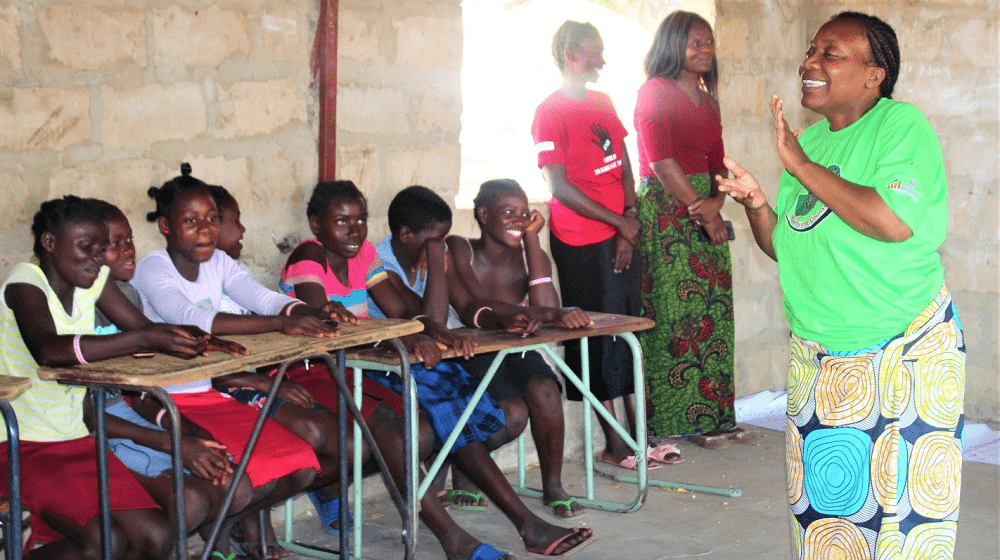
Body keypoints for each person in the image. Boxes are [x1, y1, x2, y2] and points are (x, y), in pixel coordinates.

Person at [716, 12, 965, 559]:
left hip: (898, 354)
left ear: (875, 75)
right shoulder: (811, 145)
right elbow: (789, 246)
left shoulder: (901, 126)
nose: (810, 63)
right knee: (827, 520)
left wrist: (799, 164)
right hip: (819, 360)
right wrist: (759, 202)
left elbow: (890, 219)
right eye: (810, 51)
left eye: (831, 53)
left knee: (898, 522)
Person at [282, 180, 595, 560]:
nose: (355, 230)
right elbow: (326, 327)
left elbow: (399, 311)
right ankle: (456, 541)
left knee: (454, 413)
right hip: (316, 371)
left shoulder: (364, 256)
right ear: (316, 224)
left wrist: (440, 333)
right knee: (400, 430)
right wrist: (403, 340)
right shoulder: (306, 257)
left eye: (362, 219)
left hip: (362, 366)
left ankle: (526, 524)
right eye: (342, 221)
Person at [0, 195, 234, 560]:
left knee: (157, 537)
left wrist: (200, 336)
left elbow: (144, 327)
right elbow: (48, 350)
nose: (97, 256)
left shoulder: (93, 282)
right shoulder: (25, 282)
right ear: (50, 243)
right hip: (22, 445)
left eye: (102, 247)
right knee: (105, 543)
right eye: (86, 247)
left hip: (75, 438)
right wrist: (144, 338)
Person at [131, 164, 331, 557]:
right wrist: (279, 322)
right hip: (171, 399)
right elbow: (194, 320)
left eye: (211, 219)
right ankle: (219, 537)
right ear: (166, 227)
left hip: (209, 392)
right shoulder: (154, 268)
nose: (204, 229)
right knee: (241, 480)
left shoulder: (218, 263)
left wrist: (305, 313)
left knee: (300, 467)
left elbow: (262, 297)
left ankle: (217, 529)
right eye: (190, 221)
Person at [446, 179, 626, 517]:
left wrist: (532, 241)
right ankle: (464, 468)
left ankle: (553, 486)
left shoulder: (530, 254)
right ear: (483, 215)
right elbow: (473, 305)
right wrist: (529, 314)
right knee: (510, 414)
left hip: (514, 350)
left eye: (525, 214)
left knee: (545, 391)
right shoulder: (459, 247)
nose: (519, 221)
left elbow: (546, 307)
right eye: (509, 213)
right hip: (469, 350)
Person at [86, 199, 255, 551]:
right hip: (91, 430)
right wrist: (174, 442)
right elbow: (84, 413)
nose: (128, 251)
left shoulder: (128, 296)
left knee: (235, 484)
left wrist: (186, 429)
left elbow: (140, 392)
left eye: (128, 240)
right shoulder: (71, 310)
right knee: (189, 501)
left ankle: (214, 544)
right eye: (112, 245)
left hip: (128, 416)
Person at [632, 11, 749, 449]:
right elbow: (661, 164)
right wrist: (706, 213)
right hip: (668, 210)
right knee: (674, 316)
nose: (704, 50)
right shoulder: (654, 93)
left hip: (704, 205)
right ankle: (674, 420)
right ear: (671, 46)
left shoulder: (708, 98)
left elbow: (718, 161)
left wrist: (719, 200)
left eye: (708, 42)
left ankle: (715, 416)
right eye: (693, 43)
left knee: (713, 311)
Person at [532, 20, 646, 469]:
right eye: (591, 52)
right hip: (581, 238)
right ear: (568, 56)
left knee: (628, 328)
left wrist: (628, 221)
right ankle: (614, 440)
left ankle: (638, 433)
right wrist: (618, 222)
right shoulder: (549, 111)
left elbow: (623, 165)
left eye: (600, 52)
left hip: (621, 232)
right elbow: (558, 186)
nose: (600, 60)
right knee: (596, 338)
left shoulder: (602, 102)